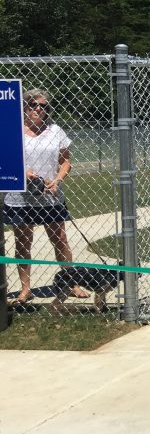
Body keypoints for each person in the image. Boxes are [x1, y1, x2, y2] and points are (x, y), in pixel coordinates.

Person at [3, 88, 90, 307]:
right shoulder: (13, 131)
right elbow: (5, 161)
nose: (39, 109)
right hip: (20, 197)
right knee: (23, 242)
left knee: (60, 239)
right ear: (24, 107)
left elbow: (66, 161)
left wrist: (58, 180)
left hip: (50, 196)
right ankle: (25, 289)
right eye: (34, 105)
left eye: (44, 106)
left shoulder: (55, 130)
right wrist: (24, 174)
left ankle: (71, 283)